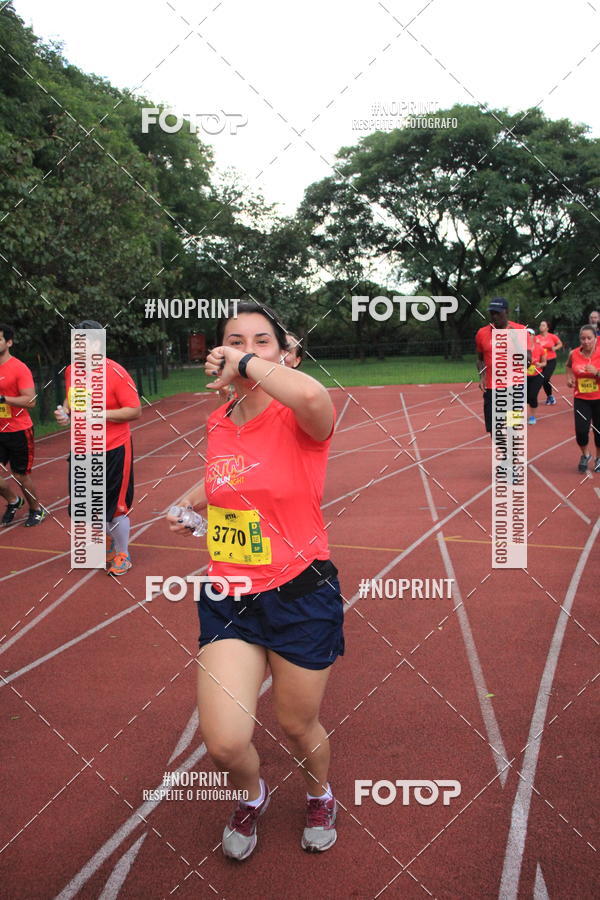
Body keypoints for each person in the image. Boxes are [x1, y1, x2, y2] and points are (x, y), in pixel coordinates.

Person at [167, 300, 342, 859]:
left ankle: (320, 793)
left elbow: (313, 395)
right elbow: (231, 472)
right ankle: (252, 795)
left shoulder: (301, 418)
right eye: (233, 340)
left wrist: (243, 364)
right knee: (223, 743)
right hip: (230, 597)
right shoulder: (219, 421)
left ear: (286, 354)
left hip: (300, 595)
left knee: (297, 723)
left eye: (260, 341)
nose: (244, 348)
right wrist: (192, 499)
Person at [54, 320, 141, 574]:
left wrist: (99, 415)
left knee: (114, 506)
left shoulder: (115, 372)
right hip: (82, 448)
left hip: (113, 448)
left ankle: (122, 552)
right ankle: (104, 541)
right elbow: (72, 402)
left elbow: (134, 410)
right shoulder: (72, 371)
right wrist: (66, 414)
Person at [0, 323, 46, 527]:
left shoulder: (19, 368)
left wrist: (3, 399)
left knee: (20, 474)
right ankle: (13, 501)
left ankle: (36, 509)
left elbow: (31, 400)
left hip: (18, 429)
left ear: (9, 342)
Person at [475, 298, 530, 435]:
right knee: (494, 429)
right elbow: (479, 358)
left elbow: (528, 362)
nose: (494, 316)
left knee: (513, 428)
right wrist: (482, 376)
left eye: (498, 313)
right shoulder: (482, 333)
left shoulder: (521, 330)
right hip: (492, 388)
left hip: (515, 388)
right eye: (492, 313)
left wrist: (515, 340)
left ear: (507, 312)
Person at [565, 324, 600, 472]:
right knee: (581, 431)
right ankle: (586, 455)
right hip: (581, 399)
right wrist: (569, 377)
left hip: (599, 398)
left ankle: (598, 458)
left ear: (596, 339)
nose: (586, 341)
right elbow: (568, 366)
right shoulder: (573, 354)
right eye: (582, 338)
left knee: (599, 432)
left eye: (589, 338)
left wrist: (597, 372)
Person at [536, 320, 562, 405]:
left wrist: (555, 348)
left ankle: (550, 397)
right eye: (540, 325)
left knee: (545, 378)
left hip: (551, 361)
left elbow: (560, 344)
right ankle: (550, 396)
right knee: (544, 380)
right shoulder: (537, 338)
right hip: (541, 362)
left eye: (543, 325)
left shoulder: (552, 336)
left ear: (547, 328)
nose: (541, 327)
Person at [526, 329, 547, 424]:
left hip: (537, 375)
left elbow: (545, 363)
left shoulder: (540, 348)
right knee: (521, 397)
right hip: (523, 377)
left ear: (533, 336)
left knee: (532, 396)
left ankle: (532, 417)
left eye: (529, 334)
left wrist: (540, 364)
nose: (527, 336)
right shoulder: (519, 348)